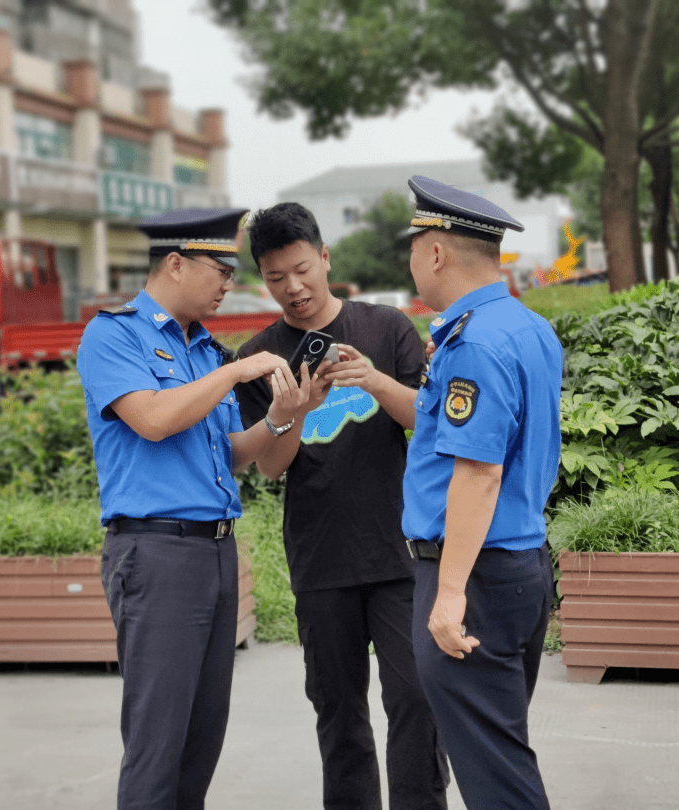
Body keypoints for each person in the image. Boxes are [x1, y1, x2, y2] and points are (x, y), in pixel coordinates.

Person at [77, 207, 328, 810]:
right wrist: (240, 368)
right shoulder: (115, 334)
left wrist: (288, 412)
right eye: (219, 270)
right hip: (156, 552)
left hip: (215, 551)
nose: (227, 284)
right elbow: (155, 419)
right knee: (157, 740)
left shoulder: (204, 352)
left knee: (200, 736)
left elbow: (235, 455)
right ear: (174, 263)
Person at [235, 202, 449, 810]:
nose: (293, 288)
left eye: (302, 270)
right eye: (276, 278)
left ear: (325, 259)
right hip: (321, 561)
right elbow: (271, 467)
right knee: (337, 709)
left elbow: (426, 425)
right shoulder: (262, 355)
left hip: (399, 554)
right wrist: (296, 407)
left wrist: (375, 380)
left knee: (416, 701)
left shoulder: (386, 328)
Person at [400, 175, 563, 809]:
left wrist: (448, 596)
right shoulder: (527, 328)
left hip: (474, 577)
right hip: (517, 567)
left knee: (496, 776)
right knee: (499, 747)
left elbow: (478, 472)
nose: (411, 262)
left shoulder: (475, 343)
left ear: (435, 251)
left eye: (413, 247)